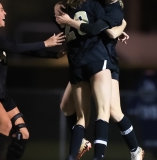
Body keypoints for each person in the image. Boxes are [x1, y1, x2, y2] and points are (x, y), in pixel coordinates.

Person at [0, 0, 65, 160]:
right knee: (5, 125)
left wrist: (54, 55)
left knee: (23, 133)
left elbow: (21, 49)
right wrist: (45, 43)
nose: (5, 13)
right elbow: (15, 48)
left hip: (0, 93)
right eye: (2, 10)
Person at [55, 0, 144, 160]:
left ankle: (135, 150)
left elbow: (109, 33)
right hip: (85, 60)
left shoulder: (115, 8)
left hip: (106, 61)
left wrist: (121, 26)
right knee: (66, 106)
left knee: (112, 111)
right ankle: (81, 142)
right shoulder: (94, 4)